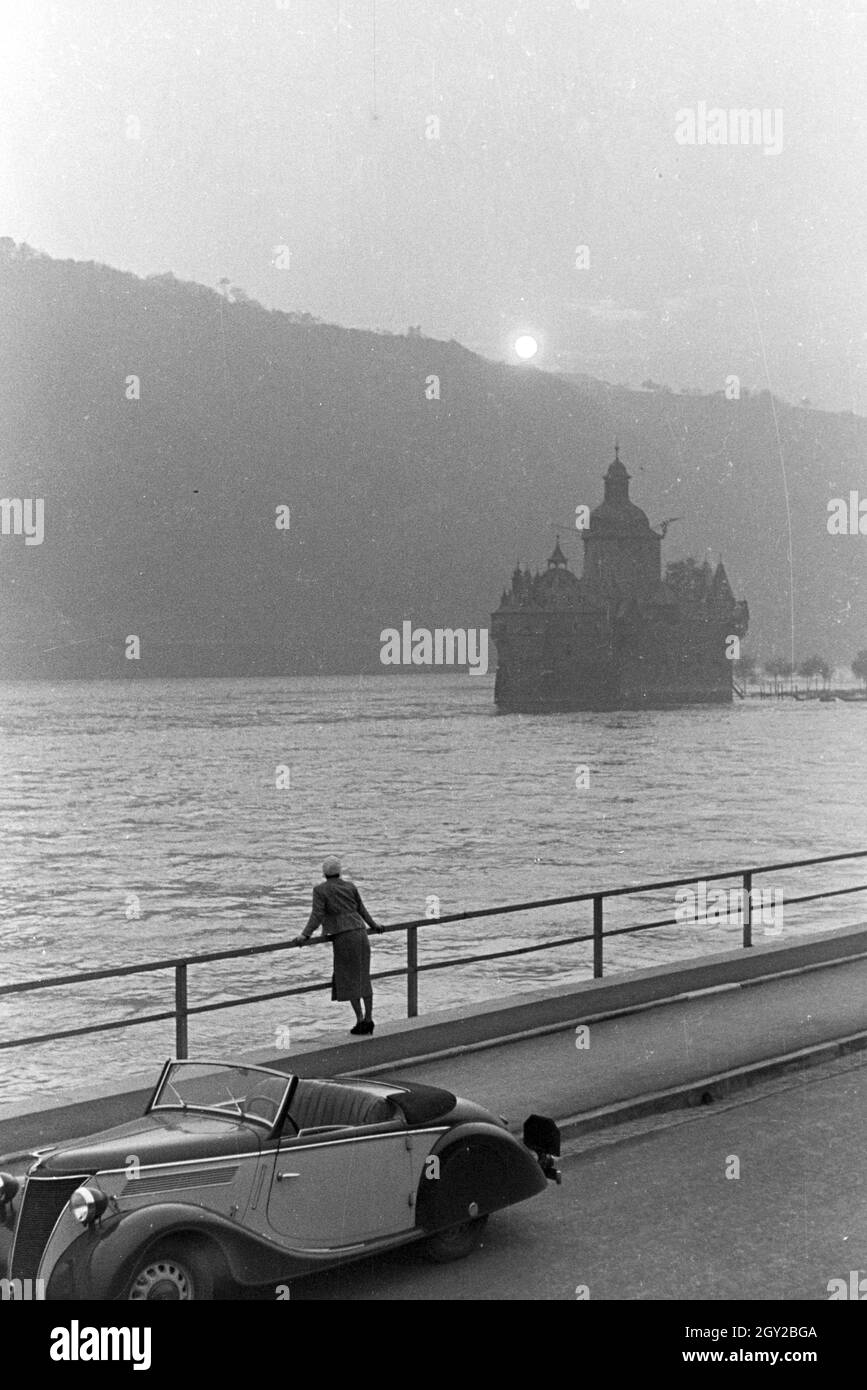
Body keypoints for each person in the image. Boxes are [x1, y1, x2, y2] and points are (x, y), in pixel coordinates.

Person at [291, 857, 384, 1035]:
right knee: (363, 977)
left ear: (324, 873)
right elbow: (361, 909)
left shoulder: (320, 890)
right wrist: (374, 925)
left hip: (343, 937)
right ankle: (369, 1019)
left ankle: (359, 1020)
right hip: (360, 932)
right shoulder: (350, 887)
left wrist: (305, 935)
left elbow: (317, 915)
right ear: (339, 871)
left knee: (349, 979)